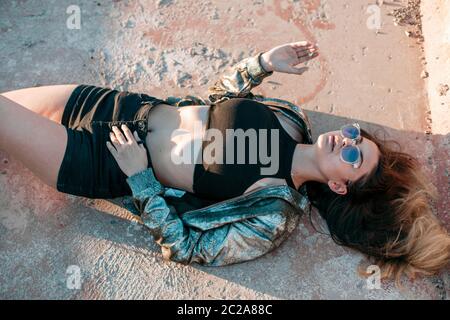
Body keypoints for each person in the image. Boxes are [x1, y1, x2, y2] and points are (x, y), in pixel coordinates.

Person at [1, 41, 448, 285]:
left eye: (353, 156)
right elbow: (216, 101)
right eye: (356, 136)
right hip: (120, 106)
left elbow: (186, 246)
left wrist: (139, 176)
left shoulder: (273, 215)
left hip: (98, 162)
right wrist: (261, 64)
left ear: (339, 187)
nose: (346, 140)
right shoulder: (292, 120)